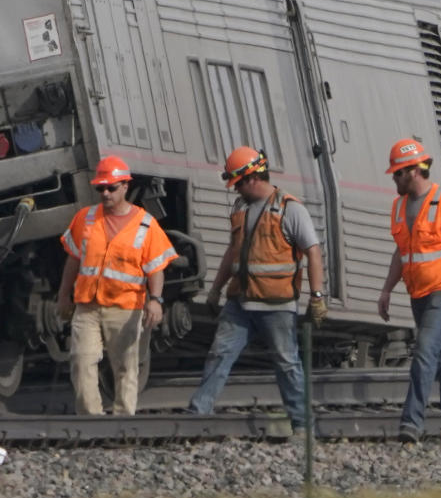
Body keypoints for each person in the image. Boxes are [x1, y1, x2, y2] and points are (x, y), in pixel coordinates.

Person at [188, 146, 327, 435]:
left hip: (276, 304)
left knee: (287, 364)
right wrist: (216, 289)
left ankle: (303, 426)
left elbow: (313, 251)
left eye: (238, 183)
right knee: (219, 354)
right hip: (240, 301)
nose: (236, 189)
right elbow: (233, 251)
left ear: (252, 177)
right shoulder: (240, 208)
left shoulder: (290, 209)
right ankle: (197, 414)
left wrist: (317, 296)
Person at [56, 156, 178, 415]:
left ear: (125, 186)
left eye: (111, 187)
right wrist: (63, 296)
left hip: (125, 309)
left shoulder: (146, 225)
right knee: (81, 361)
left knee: (125, 368)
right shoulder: (86, 218)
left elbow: (156, 268)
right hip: (87, 306)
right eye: (100, 188)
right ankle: (91, 422)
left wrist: (155, 300)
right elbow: (73, 260)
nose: (105, 193)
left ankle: (123, 422)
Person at [378, 138, 441, 447]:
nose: (394, 179)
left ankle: (411, 423)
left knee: (423, 352)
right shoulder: (399, 207)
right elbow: (401, 253)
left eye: (397, 174)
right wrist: (386, 290)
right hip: (418, 295)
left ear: (412, 172)